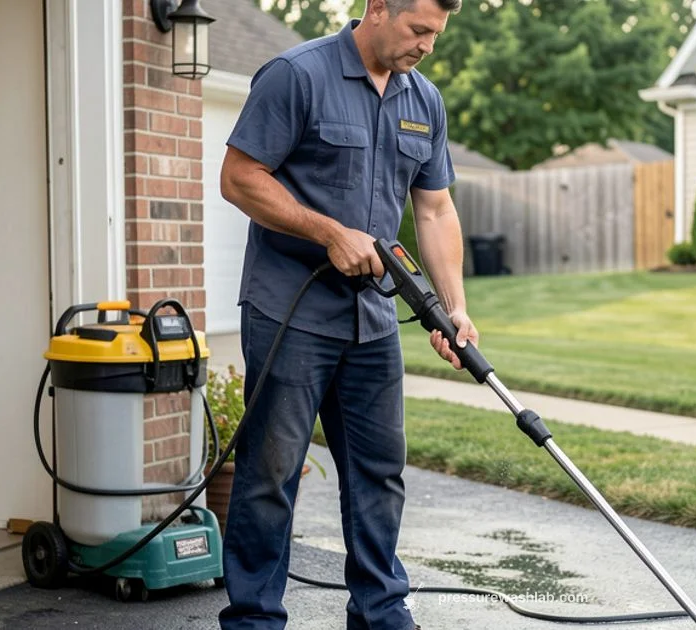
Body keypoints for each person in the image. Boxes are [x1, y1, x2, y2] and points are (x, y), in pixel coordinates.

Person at [215, 0, 471, 626]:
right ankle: (254, 618)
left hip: (373, 321)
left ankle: (381, 611)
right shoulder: (297, 75)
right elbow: (240, 176)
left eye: (436, 36)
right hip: (289, 312)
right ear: (378, 9)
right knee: (270, 474)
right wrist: (329, 231)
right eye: (418, 31)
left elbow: (434, 210)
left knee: (380, 473)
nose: (426, 47)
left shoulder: (423, 102)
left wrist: (454, 308)